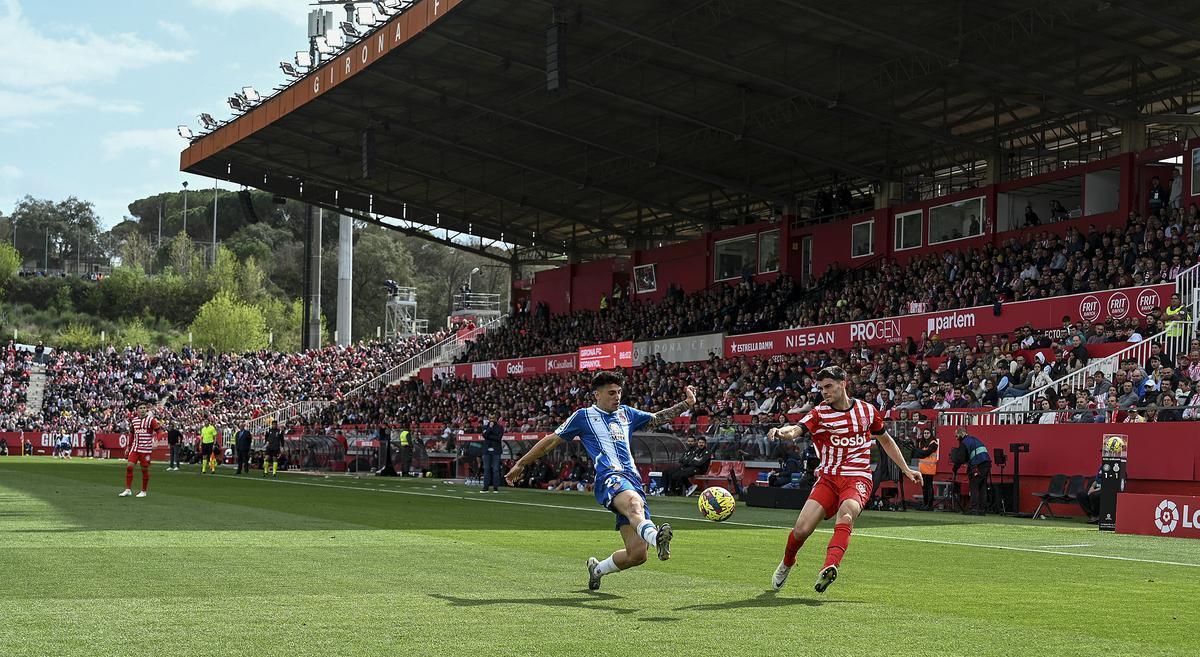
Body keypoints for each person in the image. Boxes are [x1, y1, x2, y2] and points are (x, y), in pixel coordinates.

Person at [504, 370, 695, 591]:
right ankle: (657, 538)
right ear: (597, 395)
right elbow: (550, 442)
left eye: (619, 392)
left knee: (637, 555)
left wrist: (687, 403)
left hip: (632, 480)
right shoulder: (583, 417)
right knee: (634, 504)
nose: (617, 397)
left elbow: (656, 419)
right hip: (609, 478)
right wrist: (521, 463)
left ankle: (597, 569)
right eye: (612, 393)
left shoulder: (626, 414)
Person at [766, 366, 922, 594]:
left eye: (828, 386)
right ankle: (787, 562)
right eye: (821, 388)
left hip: (857, 477)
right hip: (828, 478)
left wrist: (906, 469)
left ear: (843, 384)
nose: (824, 392)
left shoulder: (867, 411)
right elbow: (796, 430)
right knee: (801, 530)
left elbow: (886, 441)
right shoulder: (819, 413)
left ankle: (829, 566)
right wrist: (781, 432)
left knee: (847, 513)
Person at [119, 402, 160, 498]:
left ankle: (143, 491)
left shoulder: (151, 420)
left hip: (145, 449)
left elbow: (159, 432)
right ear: (137, 410)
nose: (142, 410)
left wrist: (156, 440)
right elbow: (132, 435)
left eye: (144, 408)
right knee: (129, 467)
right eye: (140, 408)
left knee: (144, 470)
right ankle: (128, 489)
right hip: (135, 448)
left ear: (147, 409)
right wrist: (128, 447)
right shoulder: (134, 421)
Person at [955, 428, 991, 515]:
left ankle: (974, 509)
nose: (956, 438)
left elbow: (960, 458)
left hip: (978, 465)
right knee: (982, 487)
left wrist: (955, 468)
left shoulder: (964, 442)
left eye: (956, 436)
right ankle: (982, 510)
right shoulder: (974, 439)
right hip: (987, 463)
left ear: (962, 434)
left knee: (974, 486)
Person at [480, 414, 504, 493]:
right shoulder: (485, 427)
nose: (491, 419)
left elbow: (498, 438)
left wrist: (489, 435)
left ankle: (495, 487)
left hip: (496, 451)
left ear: (496, 418)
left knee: (496, 469)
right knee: (486, 469)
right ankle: (485, 487)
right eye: (490, 418)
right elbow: (484, 435)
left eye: (493, 418)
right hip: (486, 451)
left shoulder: (500, 427)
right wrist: (490, 428)